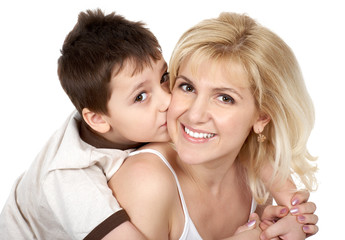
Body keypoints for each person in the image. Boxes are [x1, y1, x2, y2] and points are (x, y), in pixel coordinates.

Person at [108, 12, 318, 239]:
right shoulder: (147, 181)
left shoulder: (255, 179)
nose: (195, 115)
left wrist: (286, 228)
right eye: (187, 87)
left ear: (262, 118)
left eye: (225, 98)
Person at [0, 9, 170, 240]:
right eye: (140, 97)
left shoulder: (115, 112)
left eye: (164, 77)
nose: (167, 100)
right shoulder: (69, 178)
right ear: (98, 119)